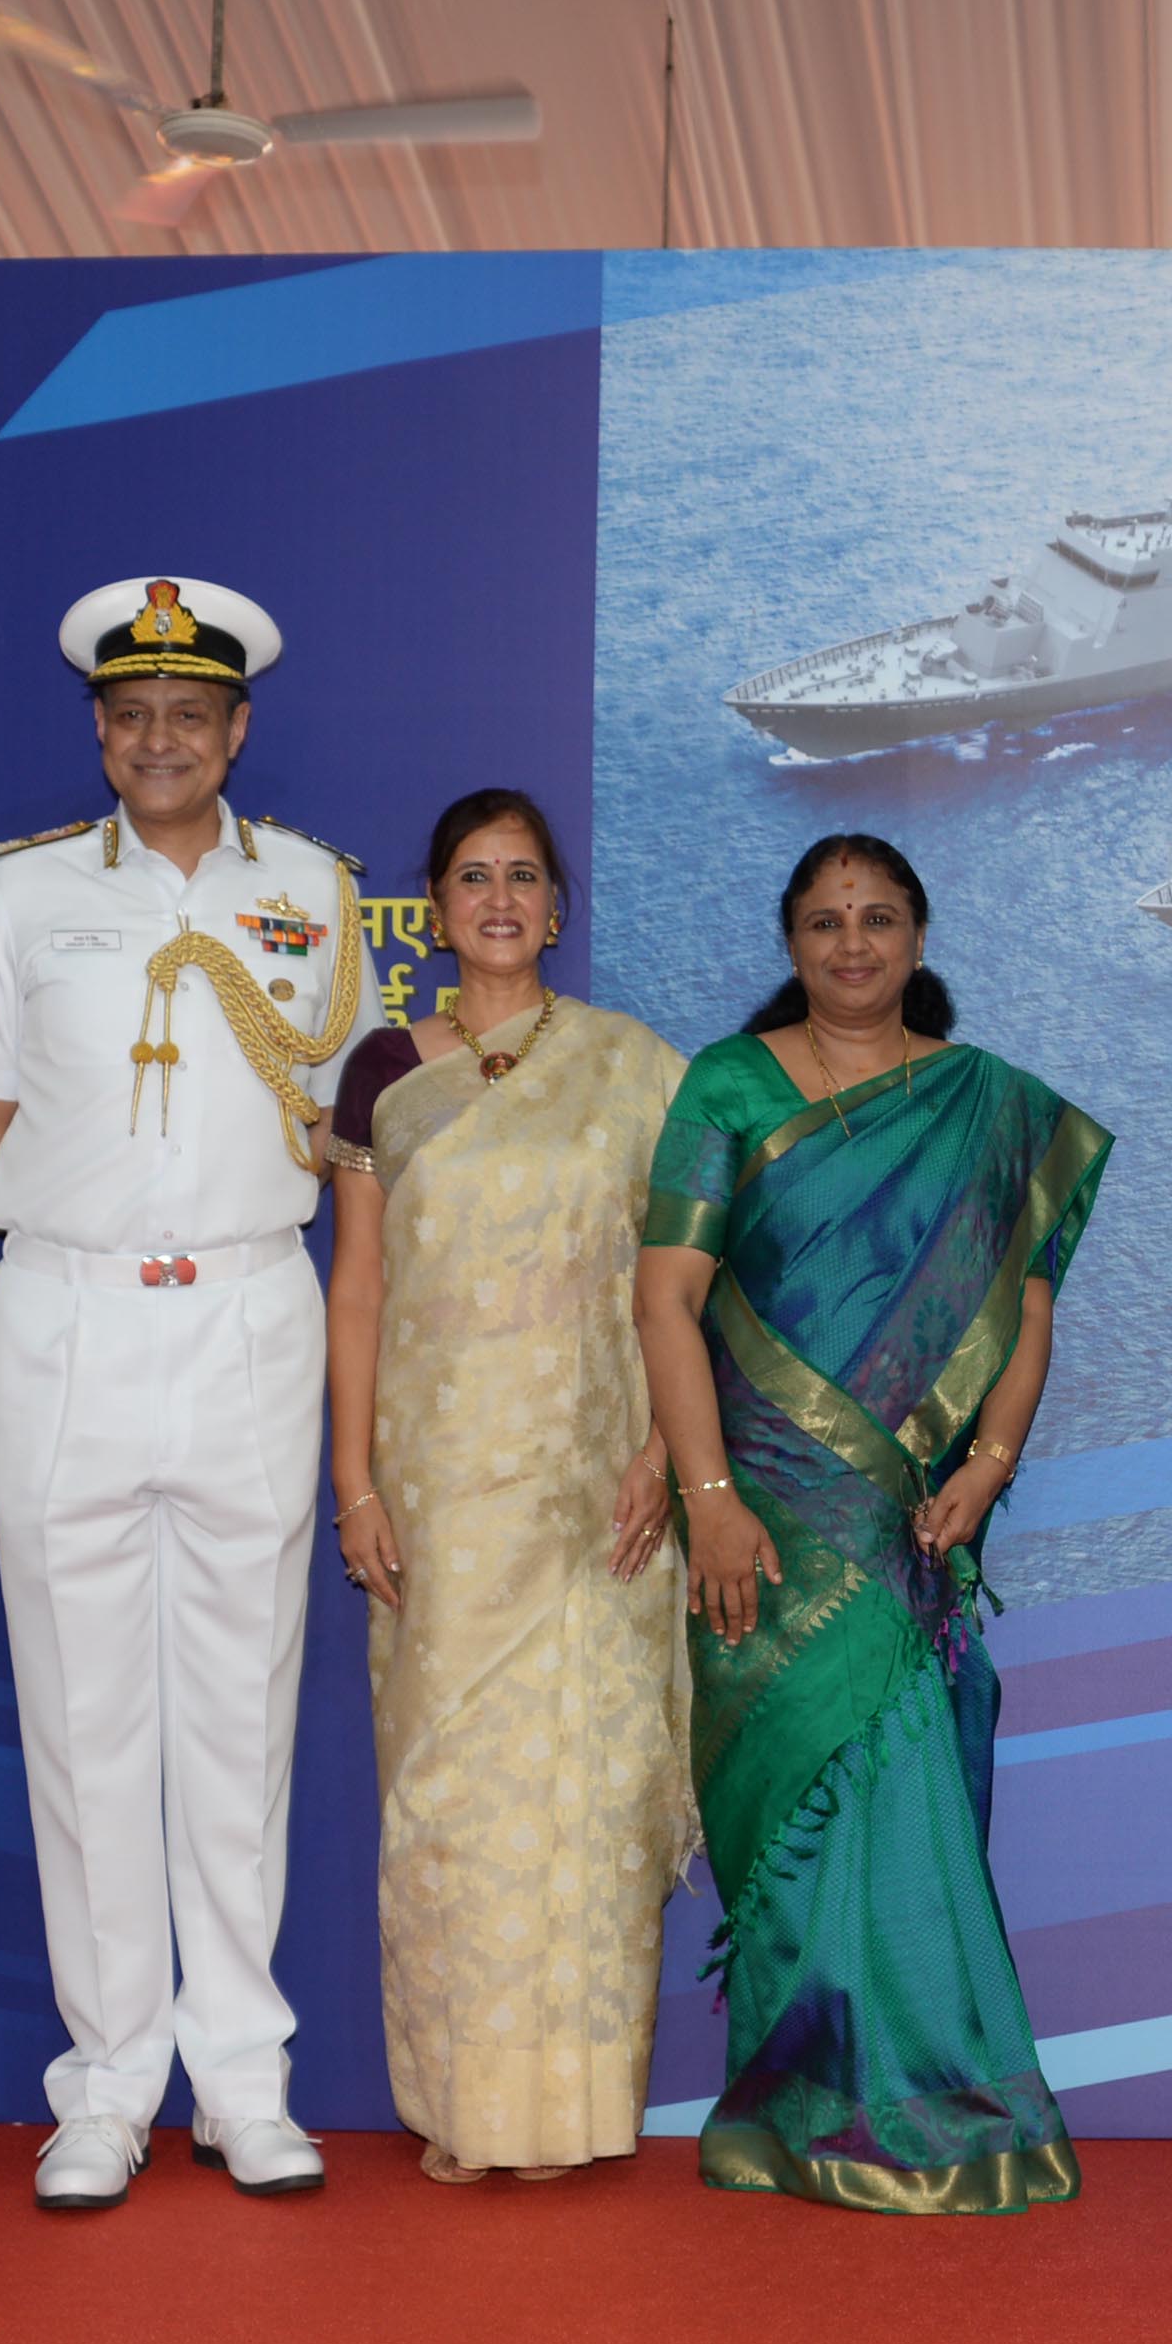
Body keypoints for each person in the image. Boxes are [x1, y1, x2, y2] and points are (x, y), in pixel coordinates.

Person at [0, 577, 363, 2211]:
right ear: (102, 734)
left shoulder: (313, 891)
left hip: (251, 1312)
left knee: (242, 1709)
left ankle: (243, 2079)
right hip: (69, 1319)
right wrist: (104, 1220)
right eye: (133, 717)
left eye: (193, 714)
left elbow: (337, 1115)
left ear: (237, 729)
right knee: (85, 1717)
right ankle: (109, 2082)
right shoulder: (19, 893)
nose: (162, 738)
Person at [632, 834, 1099, 2214]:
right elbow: (666, 1300)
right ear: (789, 938)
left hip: (910, 1514)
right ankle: (790, 2109)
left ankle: (943, 2102)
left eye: (879, 918)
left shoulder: (985, 1107)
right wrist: (704, 1500)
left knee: (909, 1791)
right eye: (826, 920)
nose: (852, 943)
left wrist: (994, 1462)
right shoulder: (728, 1083)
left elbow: (1024, 1305)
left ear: (917, 935)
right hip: (762, 1511)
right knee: (792, 1798)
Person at [322, 789, 693, 2182]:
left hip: (597, 1490)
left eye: (523, 877)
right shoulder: (384, 1075)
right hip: (440, 1498)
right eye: (472, 876)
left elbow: (679, 1283)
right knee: (451, 1805)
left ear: (556, 910)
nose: (498, 899)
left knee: (583, 1802)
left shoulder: (634, 1068)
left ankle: (578, 2114)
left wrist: (663, 1447)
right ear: (435, 907)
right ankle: (470, 2112)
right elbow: (357, 1287)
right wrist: (353, 1482)